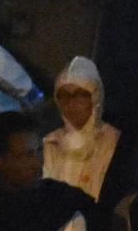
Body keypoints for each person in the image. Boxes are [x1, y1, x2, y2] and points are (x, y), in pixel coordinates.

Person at [42, 56, 120, 200]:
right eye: (64, 96)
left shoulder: (113, 141)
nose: (71, 104)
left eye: (79, 95)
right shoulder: (50, 143)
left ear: (95, 97)